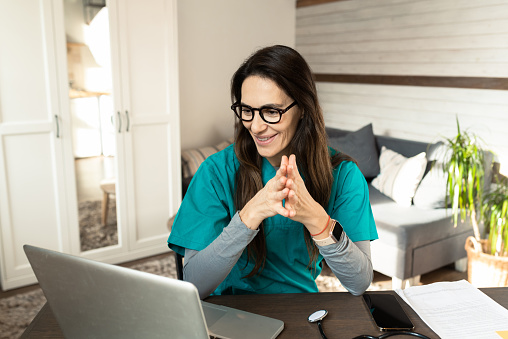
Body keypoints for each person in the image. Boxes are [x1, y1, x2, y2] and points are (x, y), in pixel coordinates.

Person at [167, 45, 378, 299]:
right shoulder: (215, 172)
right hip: (227, 313)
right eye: (247, 111)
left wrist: (315, 218)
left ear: (302, 108)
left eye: (271, 111)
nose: (255, 126)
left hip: (300, 311)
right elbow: (194, 285)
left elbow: (359, 282)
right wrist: (251, 214)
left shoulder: (343, 175)